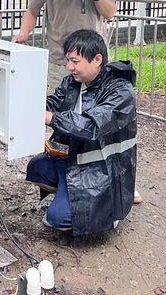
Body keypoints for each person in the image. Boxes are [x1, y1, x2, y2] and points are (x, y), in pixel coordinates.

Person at [12, 0, 143, 205]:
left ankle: (119, 181)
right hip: (59, 58)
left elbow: (109, 12)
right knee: (64, 122)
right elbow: (33, 10)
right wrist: (23, 33)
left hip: (92, 62)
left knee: (99, 123)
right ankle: (66, 175)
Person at [25, 29, 137, 235]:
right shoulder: (72, 82)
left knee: (56, 218)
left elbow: (91, 125)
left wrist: (50, 118)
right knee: (36, 168)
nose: (69, 67)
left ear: (97, 59)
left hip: (102, 171)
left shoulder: (120, 91)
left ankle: (108, 213)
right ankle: (69, 194)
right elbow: (54, 103)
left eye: (75, 61)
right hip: (73, 159)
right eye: (68, 60)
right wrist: (31, 105)